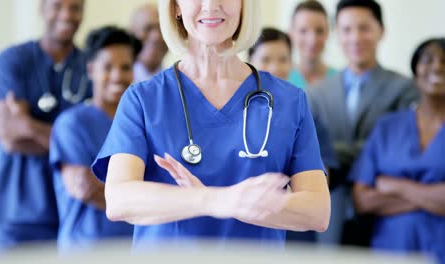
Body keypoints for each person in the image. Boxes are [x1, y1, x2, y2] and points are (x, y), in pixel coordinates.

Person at [91, 0, 330, 249]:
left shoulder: (289, 101)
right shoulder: (143, 99)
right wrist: (215, 200)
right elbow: (119, 200)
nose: (211, 5)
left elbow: (318, 211)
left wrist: (231, 204)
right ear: (175, 7)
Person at [0, 0, 90, 255]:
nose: (66, 14)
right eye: (57, 5)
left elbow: (95, 144)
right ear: (41, 9)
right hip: (14, 215)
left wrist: (28, 124)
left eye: (75, 7)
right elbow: (9, 136)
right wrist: (71, 144)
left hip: (70, 212)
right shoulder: (11, 61)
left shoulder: (92, 67)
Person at [307, 0, 419, 245]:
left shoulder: (405, 89)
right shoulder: (316, 93)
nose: (355, 37)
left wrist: (332, 154)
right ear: (337, 34)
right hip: (329, 213)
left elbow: (398, 153)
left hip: (385, 212)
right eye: (347, 30)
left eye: (364, 28)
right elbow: (310, 152)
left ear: (381, 30)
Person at [349, 37, 445, 263]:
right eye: (428, 60)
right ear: (414, 73)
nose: (437, 66)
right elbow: (362, 199)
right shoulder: (387, 127)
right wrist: (433, 197)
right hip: (390, 251)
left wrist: (396, 186)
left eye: (444, 60)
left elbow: (375, 194)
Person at [50, 26, 141, 253]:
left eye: (125, 67)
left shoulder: (140, 123)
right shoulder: (72, 124)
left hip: (133, 249)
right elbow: (85, 189)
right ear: (91, 69)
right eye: (107, 67)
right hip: (85, 250)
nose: (118, 76)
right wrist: (146, 194)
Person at [249, 27, 338, 244]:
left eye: (283, 59)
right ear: (249, 61)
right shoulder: (239, 113)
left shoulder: (303, 111)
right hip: (251, 229)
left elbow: (323, 174)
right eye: (266, 59)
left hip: (298, 231)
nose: (275, 67)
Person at [288, 0, 336, 89]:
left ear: (328, 32)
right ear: (291, 33)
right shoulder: (282, 78)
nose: (312, 40)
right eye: (303, 31)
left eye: (319, 31)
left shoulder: (339, 81)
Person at [127, 4, 168, 82]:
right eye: (148, 28)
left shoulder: (176, 83)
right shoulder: (119, 83)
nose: (156, 37)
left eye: (161, 29)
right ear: (131, 34)